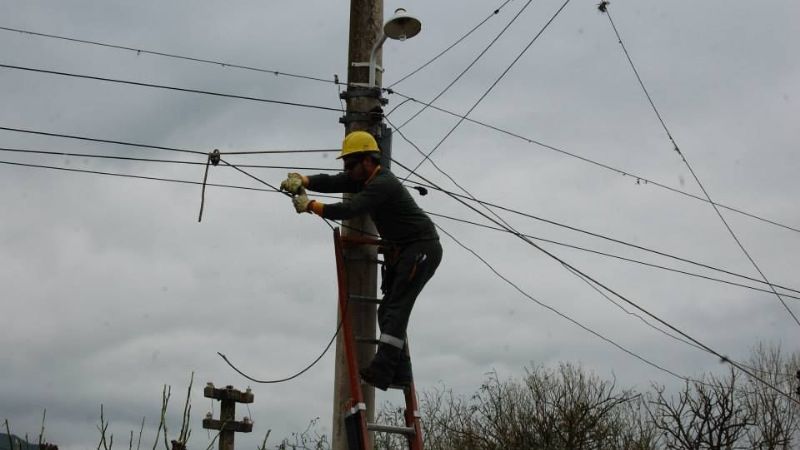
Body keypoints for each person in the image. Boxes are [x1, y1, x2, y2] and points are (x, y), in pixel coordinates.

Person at [280, 130, 442, 390]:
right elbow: (335, 182)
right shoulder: (365, 179)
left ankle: (382, 371)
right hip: (407, 250)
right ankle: (400, 373)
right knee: (387, 311)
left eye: (351, 164)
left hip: (421, 249)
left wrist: (311, 205)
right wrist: (304, 180)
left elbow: (349, 209)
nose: (348, 170)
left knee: (396, 309)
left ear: (367, 160)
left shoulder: (382, 184)